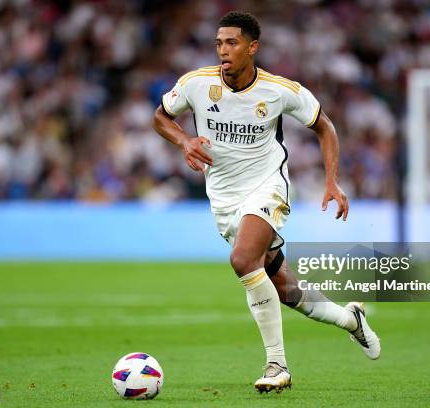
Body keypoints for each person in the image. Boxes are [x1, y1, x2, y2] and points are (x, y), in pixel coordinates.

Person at [152, 11, 380, 393]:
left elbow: (324, 126)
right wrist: (184, 141)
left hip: (267, 186)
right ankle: (351, 320)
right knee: (287, 292)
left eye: (232, 43)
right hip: (224, 199)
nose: (223, 50)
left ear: (252, 47)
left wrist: (331, 181)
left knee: (243, 260)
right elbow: (160, 117)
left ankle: (277, 365)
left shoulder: (279, 90)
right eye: (219, 43)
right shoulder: (195, 85)